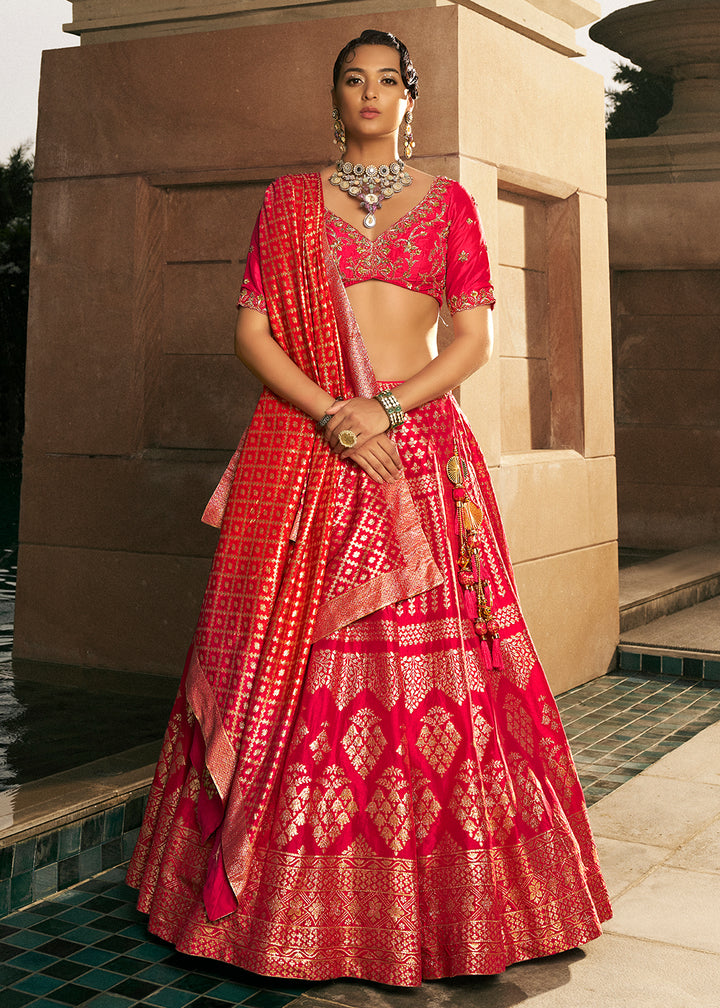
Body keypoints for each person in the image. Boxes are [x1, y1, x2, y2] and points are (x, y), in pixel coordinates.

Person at [127, 28, 611, 987]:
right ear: (335, 97)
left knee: (444, 683)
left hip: (418, 452)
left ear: (409, 97)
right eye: (353, 79)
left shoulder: (452, 207)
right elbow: (253, 331)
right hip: (308, 452)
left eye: (388, 79)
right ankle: (276, 910)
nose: (370, 93)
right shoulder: (290, 203)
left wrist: (383, 407)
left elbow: (469, 341)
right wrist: (333, 415)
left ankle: (454, 912)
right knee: (294, 673)